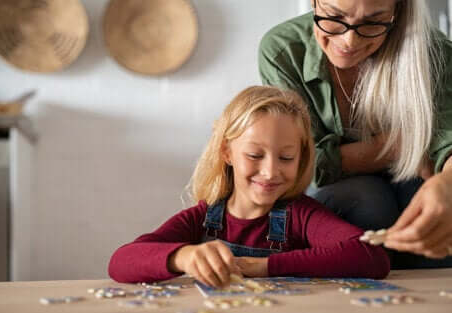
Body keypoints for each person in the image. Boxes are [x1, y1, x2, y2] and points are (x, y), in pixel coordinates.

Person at [108, 86, 390, 287]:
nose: (270, 171)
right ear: (226, 153)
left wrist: (267, 267)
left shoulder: (301, 215)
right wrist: (184, 256)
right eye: (255, 155)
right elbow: (120, 262)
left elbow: (371, 256)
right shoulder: (203, 219)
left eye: (287, 157)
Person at [258, 0, 452, 268]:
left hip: (413, 177)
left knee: (431, 211)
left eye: (373, 22)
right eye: (335, 16)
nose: (349, 41)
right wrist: (397, 147)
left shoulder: (433, 51)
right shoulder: (283, 51)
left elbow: (446, 142)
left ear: (397, 13)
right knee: (367, 201)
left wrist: (447, 185)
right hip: (340, 190)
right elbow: (306, 164)